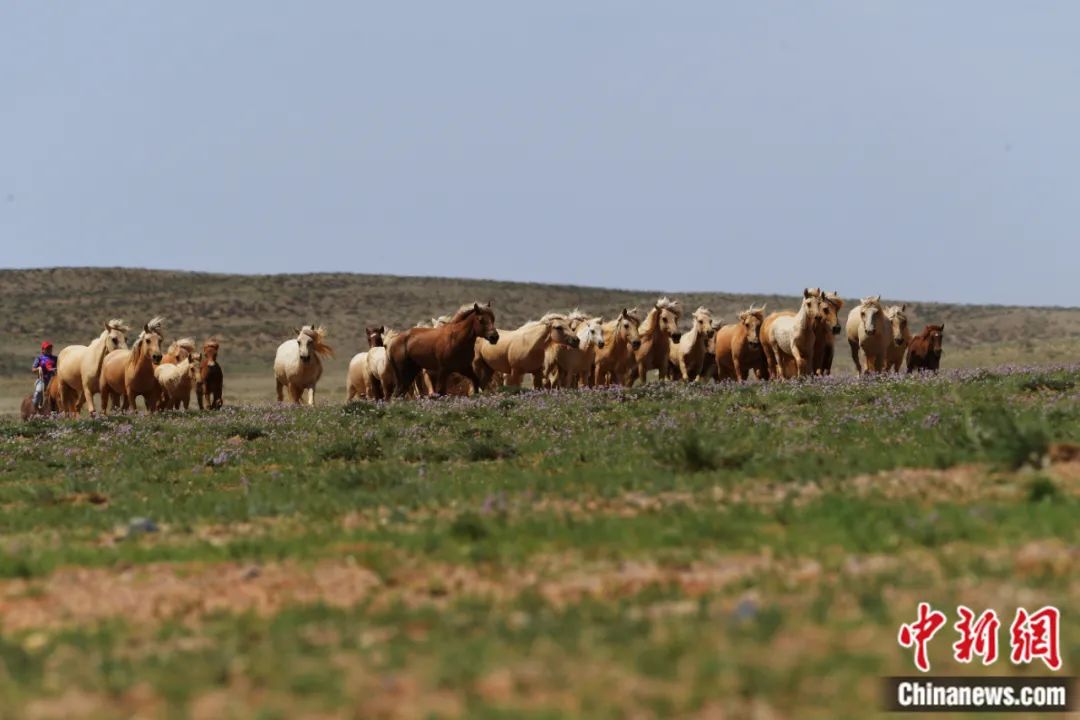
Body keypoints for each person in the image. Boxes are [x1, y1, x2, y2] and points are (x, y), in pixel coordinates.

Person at [32, 341, 58, 410]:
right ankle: (35, 408)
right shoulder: (39, 358)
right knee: (39, 391)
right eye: (47, 348)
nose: (49, 350)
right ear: (43, 350)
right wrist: (38, 368)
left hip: (53, 380)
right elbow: (33, 369)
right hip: (42, 379)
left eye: (50, 348)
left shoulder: (55, 358)